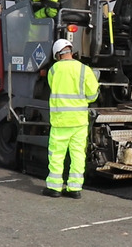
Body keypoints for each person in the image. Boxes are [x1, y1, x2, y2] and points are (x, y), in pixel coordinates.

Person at [43, 39, 99, 199]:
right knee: (78, 155)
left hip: (60, 121)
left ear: (57, 55)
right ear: (71, 52)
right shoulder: (84, 69)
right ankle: (74, 189)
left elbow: (52, 87)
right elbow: (93, 95)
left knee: (56, 155)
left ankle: (54, 188)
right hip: (79, 121)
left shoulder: (53, 70)